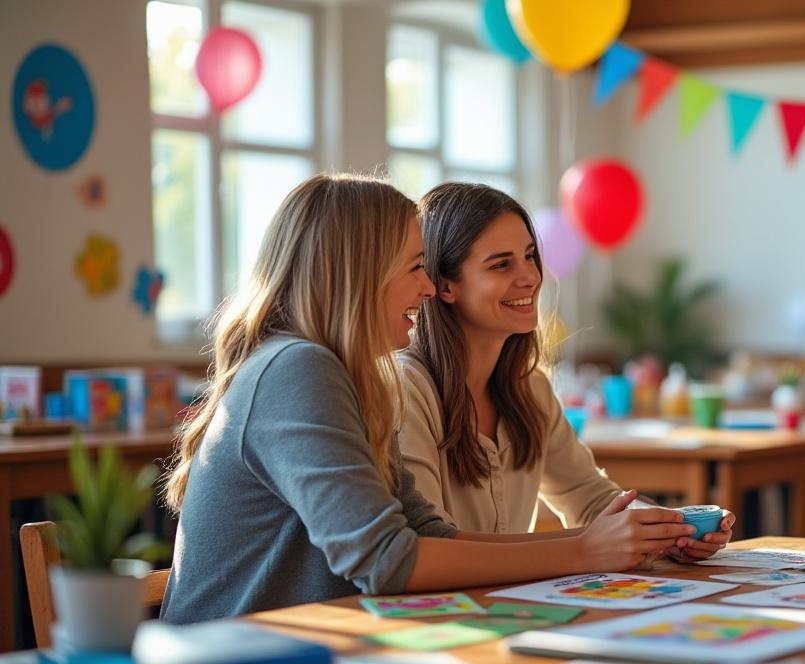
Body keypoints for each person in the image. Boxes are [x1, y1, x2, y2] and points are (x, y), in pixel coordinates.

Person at [161, 174, 697, 624]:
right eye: (415, 266)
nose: (425, 288)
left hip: (302, 657)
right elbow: (387, 561)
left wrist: (618, 540)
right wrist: (582, 550)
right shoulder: (297, 368)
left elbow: (426, 534)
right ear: (360, 271)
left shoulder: (347, 376)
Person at [398, 181, 733, 559]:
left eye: (529, 256)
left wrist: (670, 531)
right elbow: (428, 544)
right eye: (501, 264)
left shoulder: (530, 388)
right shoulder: (407, 389)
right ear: (443, 285)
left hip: (514, 605)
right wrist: (583, 547)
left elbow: (589, 498)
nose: (530, 276)